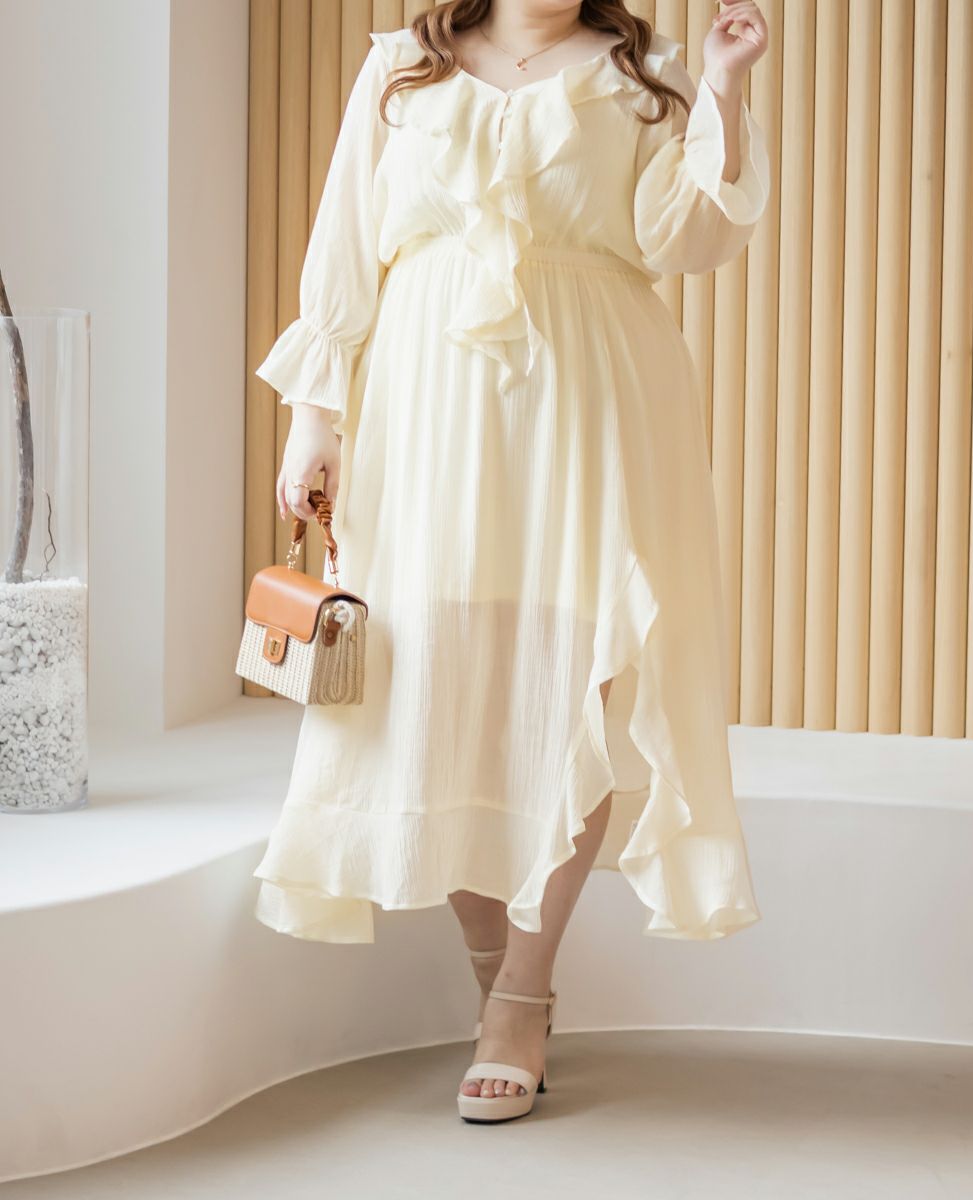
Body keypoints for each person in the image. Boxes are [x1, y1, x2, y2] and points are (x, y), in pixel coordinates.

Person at [252, 0, 770, 1124]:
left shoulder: (643, 74)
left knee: (575, 680)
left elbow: (687, 240)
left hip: (591, 400)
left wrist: (725, 90)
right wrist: (314, 419)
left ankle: (521, 998)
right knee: (435, 687)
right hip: (425, 406)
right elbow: (346, 242)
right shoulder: (404, 65)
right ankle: (496, 971)